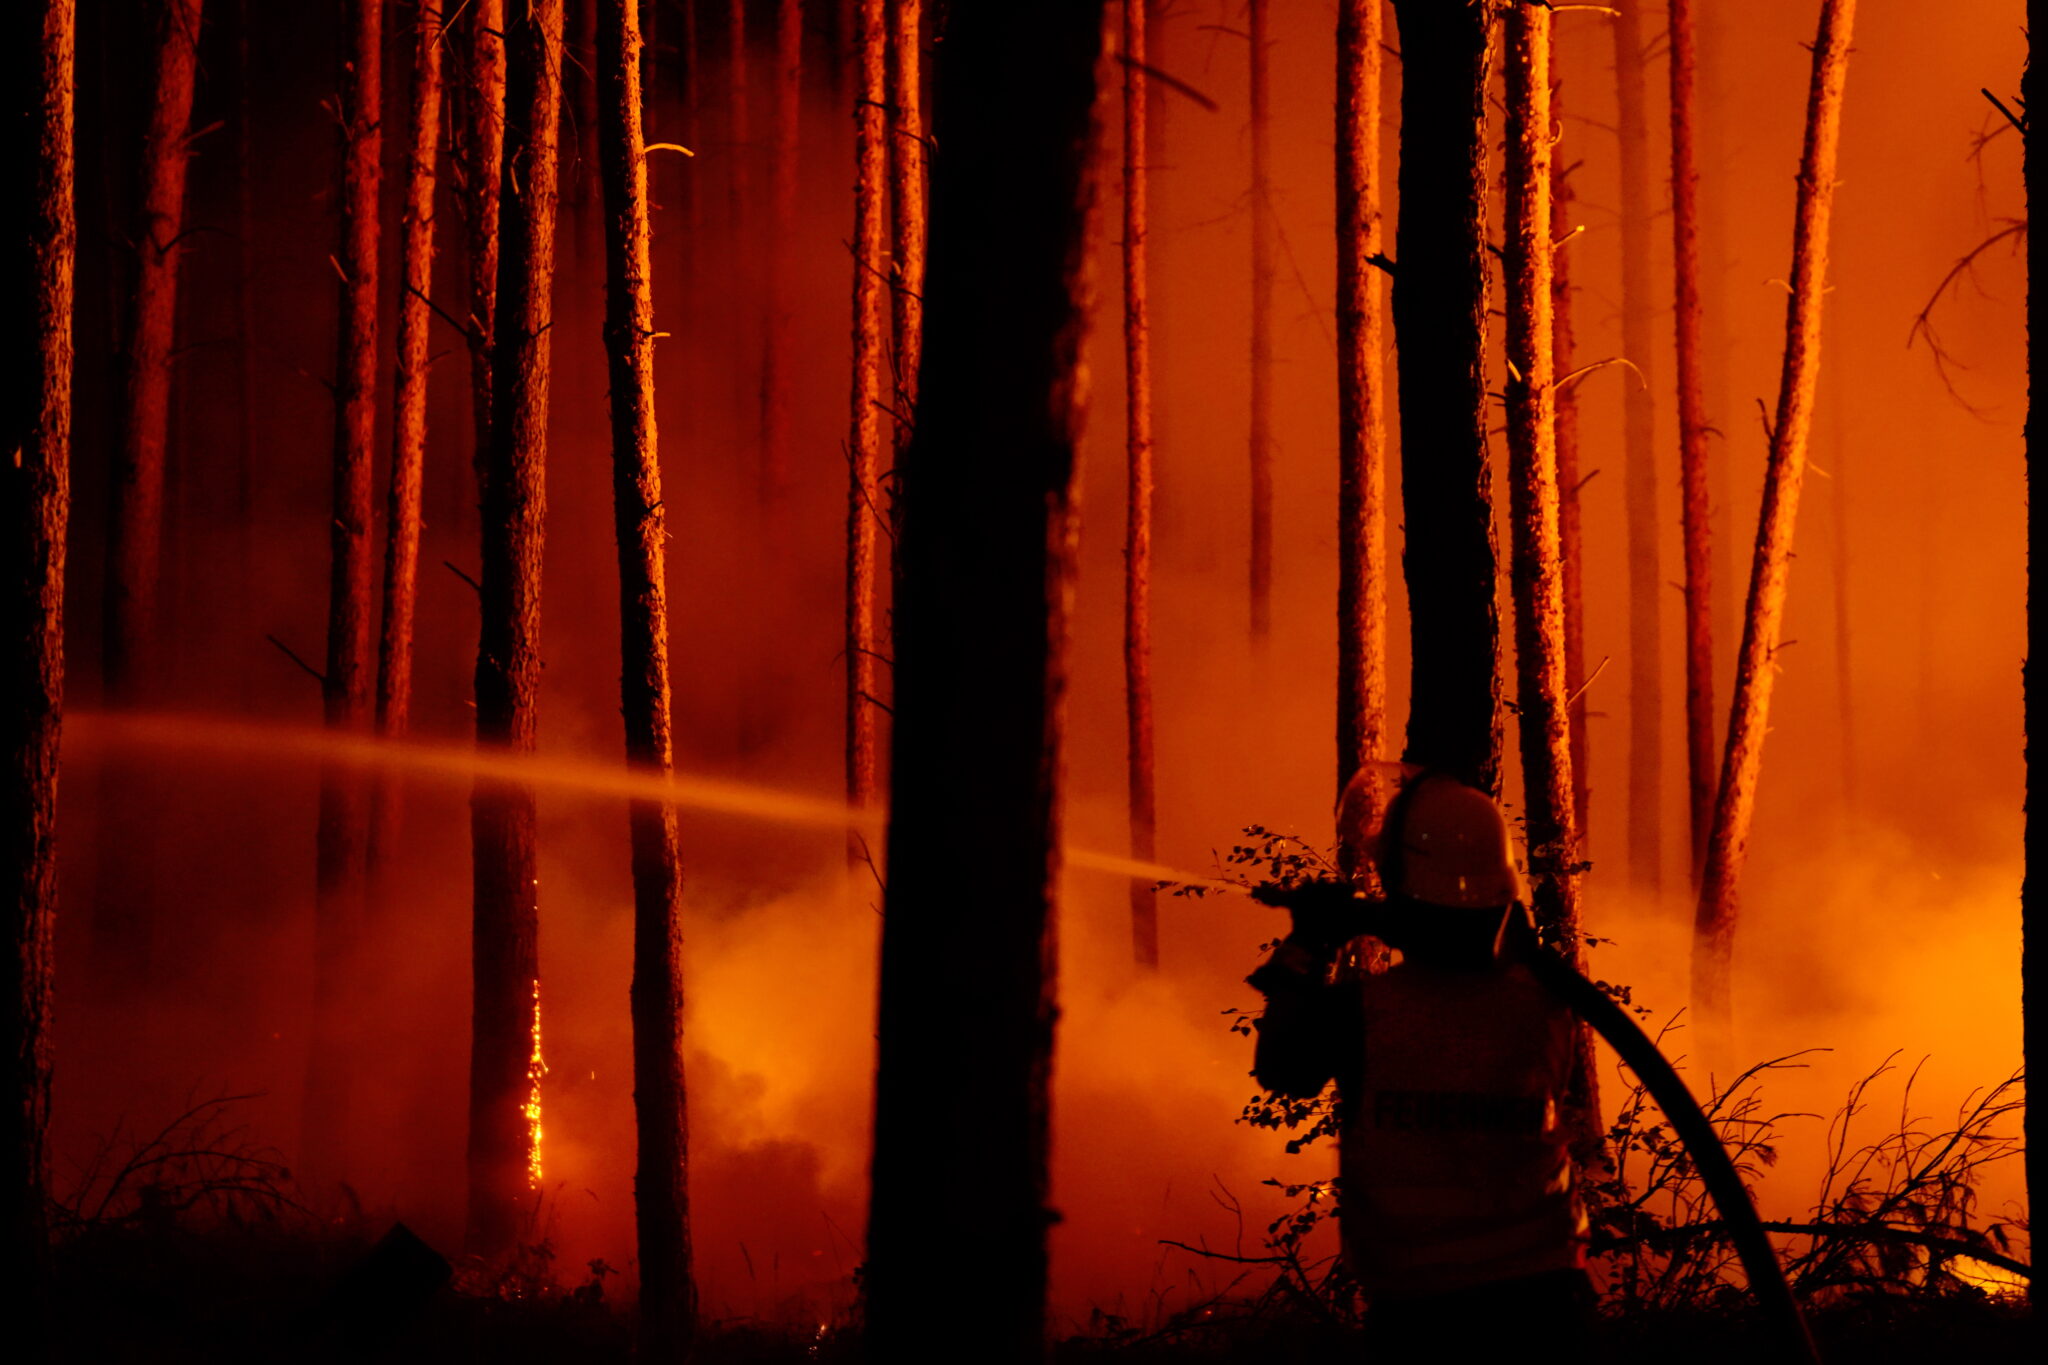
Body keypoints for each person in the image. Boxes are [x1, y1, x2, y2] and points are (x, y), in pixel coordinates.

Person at [1248, 772, 1593, 1359]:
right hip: (1550, 1306)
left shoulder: (1364, 1012)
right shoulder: (1551, 1003)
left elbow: (1284, 1068)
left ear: (1402, 887)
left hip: (1424, 1317)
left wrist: (1311, 941)